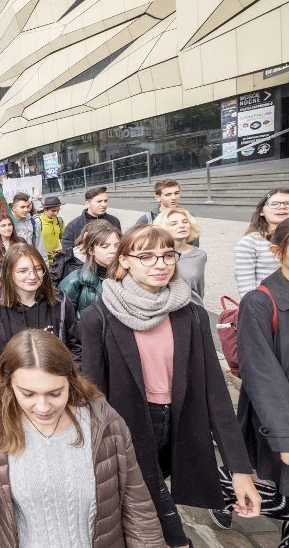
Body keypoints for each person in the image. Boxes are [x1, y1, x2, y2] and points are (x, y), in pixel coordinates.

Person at [79, 225, 261, 547]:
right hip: (130, 426)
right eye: (146, 256)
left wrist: (239, 469)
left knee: (158, 493)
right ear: (124, 262)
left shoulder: (190, 313)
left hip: (181, 422)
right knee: (157, 510)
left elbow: (215, 391)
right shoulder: (99, 317)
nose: (160, 264)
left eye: (167, 255)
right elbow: (93, 395)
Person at [0, 329, 165, 547]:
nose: (43, 407)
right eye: (28, 394)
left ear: (71, 380)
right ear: (8, 385)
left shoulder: (104, 423)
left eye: (55, 393)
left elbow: (138, 510)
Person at [229, 218, 289, 545]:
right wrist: (285, 435)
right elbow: (262, 374)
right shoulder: (259, 301)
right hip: (281, 418)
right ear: (277, 251)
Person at [0, 244, 80, 400]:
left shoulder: (60, 303)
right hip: (8, 393)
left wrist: (72, 383)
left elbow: (75, 346)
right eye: (23, 271)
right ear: (9, 273)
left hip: (52, 391)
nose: (33, 276)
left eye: (38, 269)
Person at [59, 220, 121, 319]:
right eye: (105, 247)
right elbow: (64, 321)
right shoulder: (74, 281)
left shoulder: (129, 277)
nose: (113, 251)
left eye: (117, 245)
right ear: (91, 250)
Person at [235, 188, 289, 298]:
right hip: (269, 307)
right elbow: (246, 290)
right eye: (274, 204)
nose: (282, 207)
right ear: (261, 211)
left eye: (287, 203)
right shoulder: (249, 243)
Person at [154, 208, 206, 307]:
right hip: (163, 310)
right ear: (162, 229)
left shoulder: (200, 255)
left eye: (185, 222)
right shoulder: (155, 256)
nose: (182, 225)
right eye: (174, 224)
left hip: (193, 309)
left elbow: (199, 287)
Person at [61, 186, 122, 251]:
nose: (104, 204)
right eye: (99, 201)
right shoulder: (73, 226)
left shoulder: (114, 221)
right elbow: (67, 253)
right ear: (87, 204)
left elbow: (119, 245)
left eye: (106, 201)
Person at [9, 193, 47, 262]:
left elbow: (40, 246)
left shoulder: (33, 222)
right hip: (13, 261)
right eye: (22, 207)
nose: (26, 210)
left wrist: (45, 266)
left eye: (27, 206)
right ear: (14, 208)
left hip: (30, 260)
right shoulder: (7, 223)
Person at [36, 195, 64, 265]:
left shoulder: (60, 220)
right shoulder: (37, 222)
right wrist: (42, 252)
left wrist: (62, 246)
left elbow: (64, 237)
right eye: (53, 211)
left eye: (58, 210)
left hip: (58, 259)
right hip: (42, 261)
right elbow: (32, 243)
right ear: (45, 210)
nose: (56, 213)